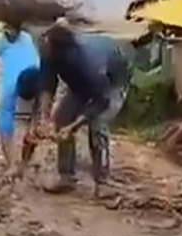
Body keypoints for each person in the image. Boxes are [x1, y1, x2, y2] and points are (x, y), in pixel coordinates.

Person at [35, 23, 130, 197]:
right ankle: (66, 177)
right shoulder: (49, 53)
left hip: (110, 85)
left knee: (97, 123)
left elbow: (100, 102)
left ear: (58, 48)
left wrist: (72, 127)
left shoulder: (87, 63)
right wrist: (44, 117)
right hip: (79, 86)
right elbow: (47, 84)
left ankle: (103, 181)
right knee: (61, 117)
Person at [0, 12, 40, 179]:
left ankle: (19, 164)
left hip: (28, 82)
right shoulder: (20, 39)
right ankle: (15, 164)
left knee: (25, 126)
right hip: (22, 82)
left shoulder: (22, 39)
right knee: (12, 124)